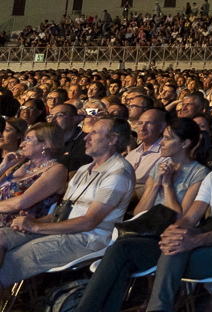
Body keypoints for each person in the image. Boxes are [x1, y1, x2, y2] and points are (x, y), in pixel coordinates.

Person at [78, 123, 212, 312]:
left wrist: (193, 239)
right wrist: (173, 230)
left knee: (177, 247)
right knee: (122, 248)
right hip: (204, 238)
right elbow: (191, 217)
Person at [0, 117, 135, 287]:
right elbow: (62, 212)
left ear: (113, 140)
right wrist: (31, 222)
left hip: (86, 240)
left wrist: (35, 227)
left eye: (93, 133)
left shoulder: (119, 172)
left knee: (10, 262)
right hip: (61, 229)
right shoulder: (85, 169)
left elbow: (89, 222)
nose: (86, 137)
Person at [132, 117, 208, 217]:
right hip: (147, 226)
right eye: (162, 137)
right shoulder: (159, 167)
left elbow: (179, 219)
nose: (160, 143)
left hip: (171, 230)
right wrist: (156, 185)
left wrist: (168, 185)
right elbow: (138, 214)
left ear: (185, 143)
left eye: (167, 138)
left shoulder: (199, 173)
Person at [0, 123, 67, 227]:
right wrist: (3, 167)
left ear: (46, 143)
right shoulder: (19, 165)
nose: (21, 144)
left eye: (28, 140)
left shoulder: (56, 170)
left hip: (18, 226)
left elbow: (21, 203)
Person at [128, 107, 168, 190]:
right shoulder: (132, 154)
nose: (142, 128)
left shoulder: (166, 154)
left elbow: (156, 189)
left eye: (149, 123)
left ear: (162, 127)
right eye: (140, 123)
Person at [50, 104, 90, 172]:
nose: (52, 120)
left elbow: (74, 172)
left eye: (59, 115)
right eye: (50, 116)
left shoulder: (86, 141)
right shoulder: (48, 140)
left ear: (75, 119)